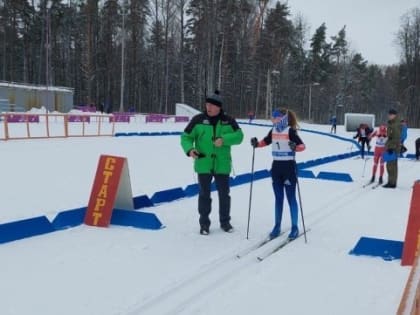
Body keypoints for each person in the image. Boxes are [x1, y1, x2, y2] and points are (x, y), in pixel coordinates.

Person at [181, 90, 244, 235]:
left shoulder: (228, 120)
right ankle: (204, 224)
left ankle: (225, 222)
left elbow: (239, 136)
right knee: (204, 195)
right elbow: (186, 137)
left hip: (222, 164)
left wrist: (224, 139)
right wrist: (190, 150)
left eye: (211, 105)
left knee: (224, 194)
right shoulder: (198, 119)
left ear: (219, 107)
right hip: (203, 163)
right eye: (207, 104)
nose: (208, 107)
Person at [250, 108, 305, 240]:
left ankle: (294, 227)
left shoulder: (290, 131)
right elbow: (266, 141)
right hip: (276, 168)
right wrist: (256, 144)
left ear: (282, 118)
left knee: (291, 198)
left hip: (289, 167)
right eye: (272, 117)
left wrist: (294, 147)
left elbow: (302, 146)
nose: (272, 119)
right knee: (278, 198)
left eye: (274, 117)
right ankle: (277, 226)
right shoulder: (273, 130)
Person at [383, 109, 401, 188]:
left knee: (392, 166)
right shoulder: (391, 123)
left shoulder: (396, 124)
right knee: (390, 165)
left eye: (390, 115)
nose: (389, 116)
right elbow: (390, 136)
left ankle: (392, 183)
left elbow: (396, 138)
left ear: (394, 115)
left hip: (393, 148)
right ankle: (391, 182)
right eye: (389, 114)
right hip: (390, 146)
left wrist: (392, 147)